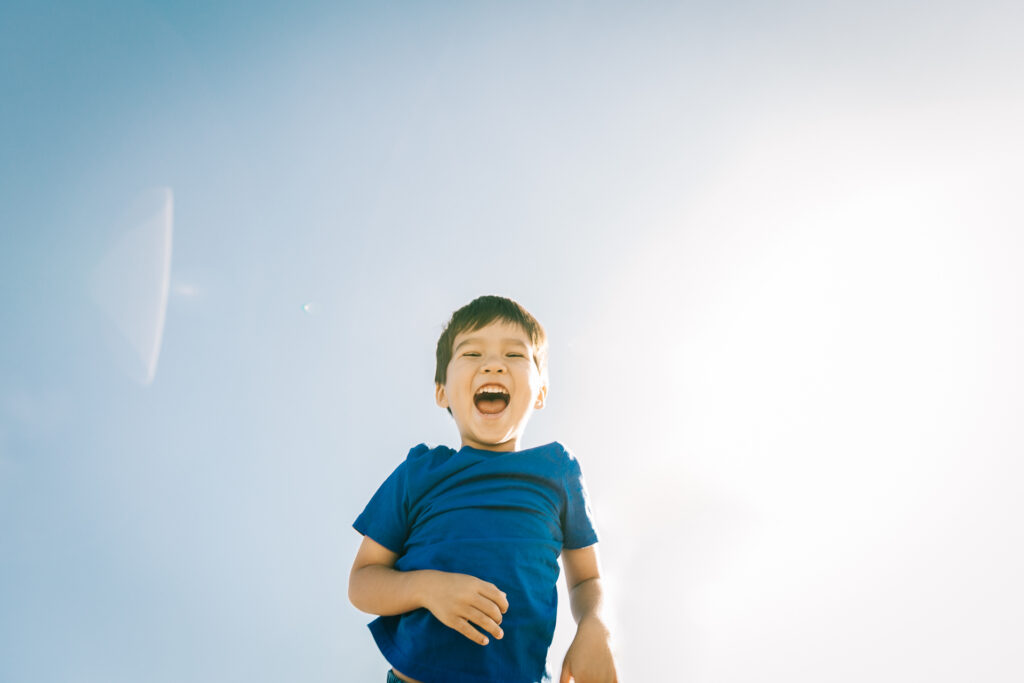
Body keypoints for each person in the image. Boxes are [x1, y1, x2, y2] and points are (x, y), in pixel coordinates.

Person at [349, 295, 617, 683]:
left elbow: (586, 579)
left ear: (540, 391)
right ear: (442, 391)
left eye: (514, 355)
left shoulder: (557, 471)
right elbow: (362, 581)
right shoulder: (419, 472)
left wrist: (595, 624)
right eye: (472, 354)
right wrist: (427, 587)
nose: (493, 363)